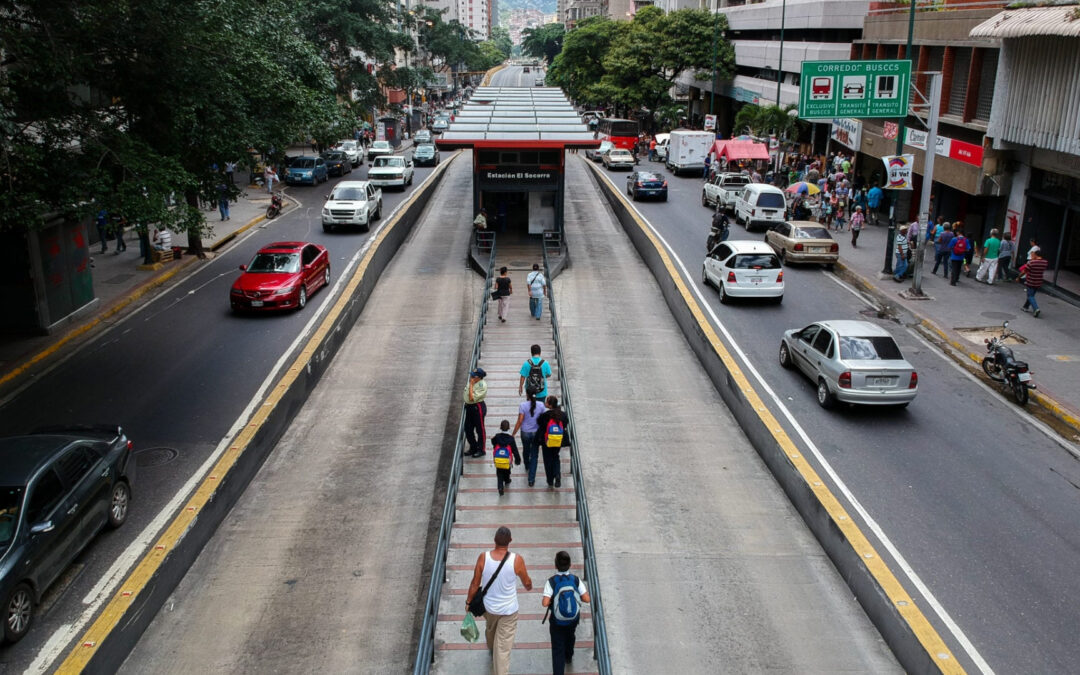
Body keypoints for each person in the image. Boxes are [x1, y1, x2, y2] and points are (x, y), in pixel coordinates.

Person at [465, 527, 532, 675]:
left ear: (494, 540)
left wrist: (468, 602)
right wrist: (529, 584)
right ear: (510, 541)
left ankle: (491, 647)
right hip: (509, 611)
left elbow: (475, 583)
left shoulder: (483, 557)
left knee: (491, 630)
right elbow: (527, 583)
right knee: (502, 650)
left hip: (489, 608)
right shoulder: (517, 560)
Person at [542, 550, 591, 675]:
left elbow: (545, 603)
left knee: (558, 648)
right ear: (570, 565)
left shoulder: (551, 582)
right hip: (573, 618)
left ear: (555, 565)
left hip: (557, 620)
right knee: (570, 636)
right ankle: (568, 656)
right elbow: (586, 599)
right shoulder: (575, 580)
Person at [512, 392, 547, 487]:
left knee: (526, 450)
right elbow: (545, 419)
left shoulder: (523, 405)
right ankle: (531, 479)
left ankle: (527, 464)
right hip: (536, 433)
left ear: (527, 395)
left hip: (525, 433)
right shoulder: (541, 405)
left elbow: (520, 421)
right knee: (534, 455)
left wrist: (514, 433)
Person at [536, 396, 569, 488]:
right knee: (555, 457)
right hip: (558, 440)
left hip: (547, 441)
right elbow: (565, 423)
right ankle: (557, 475)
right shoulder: (563, 415)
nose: (545, 403)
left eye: (546, 402)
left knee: (547, 460)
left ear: (550, 405)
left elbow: (540, 424)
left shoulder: (545, 415)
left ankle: (550, 480)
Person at [491, 420, 521, 496]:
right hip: (507, 459)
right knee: (507, 469)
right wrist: (518, 459)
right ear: (509, 428)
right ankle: (507, 480)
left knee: (499, 472)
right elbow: (515, 450)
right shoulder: (511, 439)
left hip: (498, 459)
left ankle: (500, 487)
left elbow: (493, 442)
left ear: (500, 427)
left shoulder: (497, 436)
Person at [463, 369, 488, 458]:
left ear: (478, 378)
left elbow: (471, 398)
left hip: (477, 407)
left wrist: (471, 385)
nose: (472, 377)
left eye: (474, 376)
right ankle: (473, 447)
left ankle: (481, 449)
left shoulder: (482, 385)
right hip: (469, 407)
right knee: (468, 429)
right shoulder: (472, 381)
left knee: (480, 429)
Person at [1020, 249, 1048, 318]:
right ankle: (1025, 307)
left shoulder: (1031, 262)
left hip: (1031, 281)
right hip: (1038, 281)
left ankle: (1036, 308)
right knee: (1031, 295)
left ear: (1036, 255)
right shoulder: (1045, 262)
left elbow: (1024, 271)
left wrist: (1019, 277)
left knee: (1030, 296)